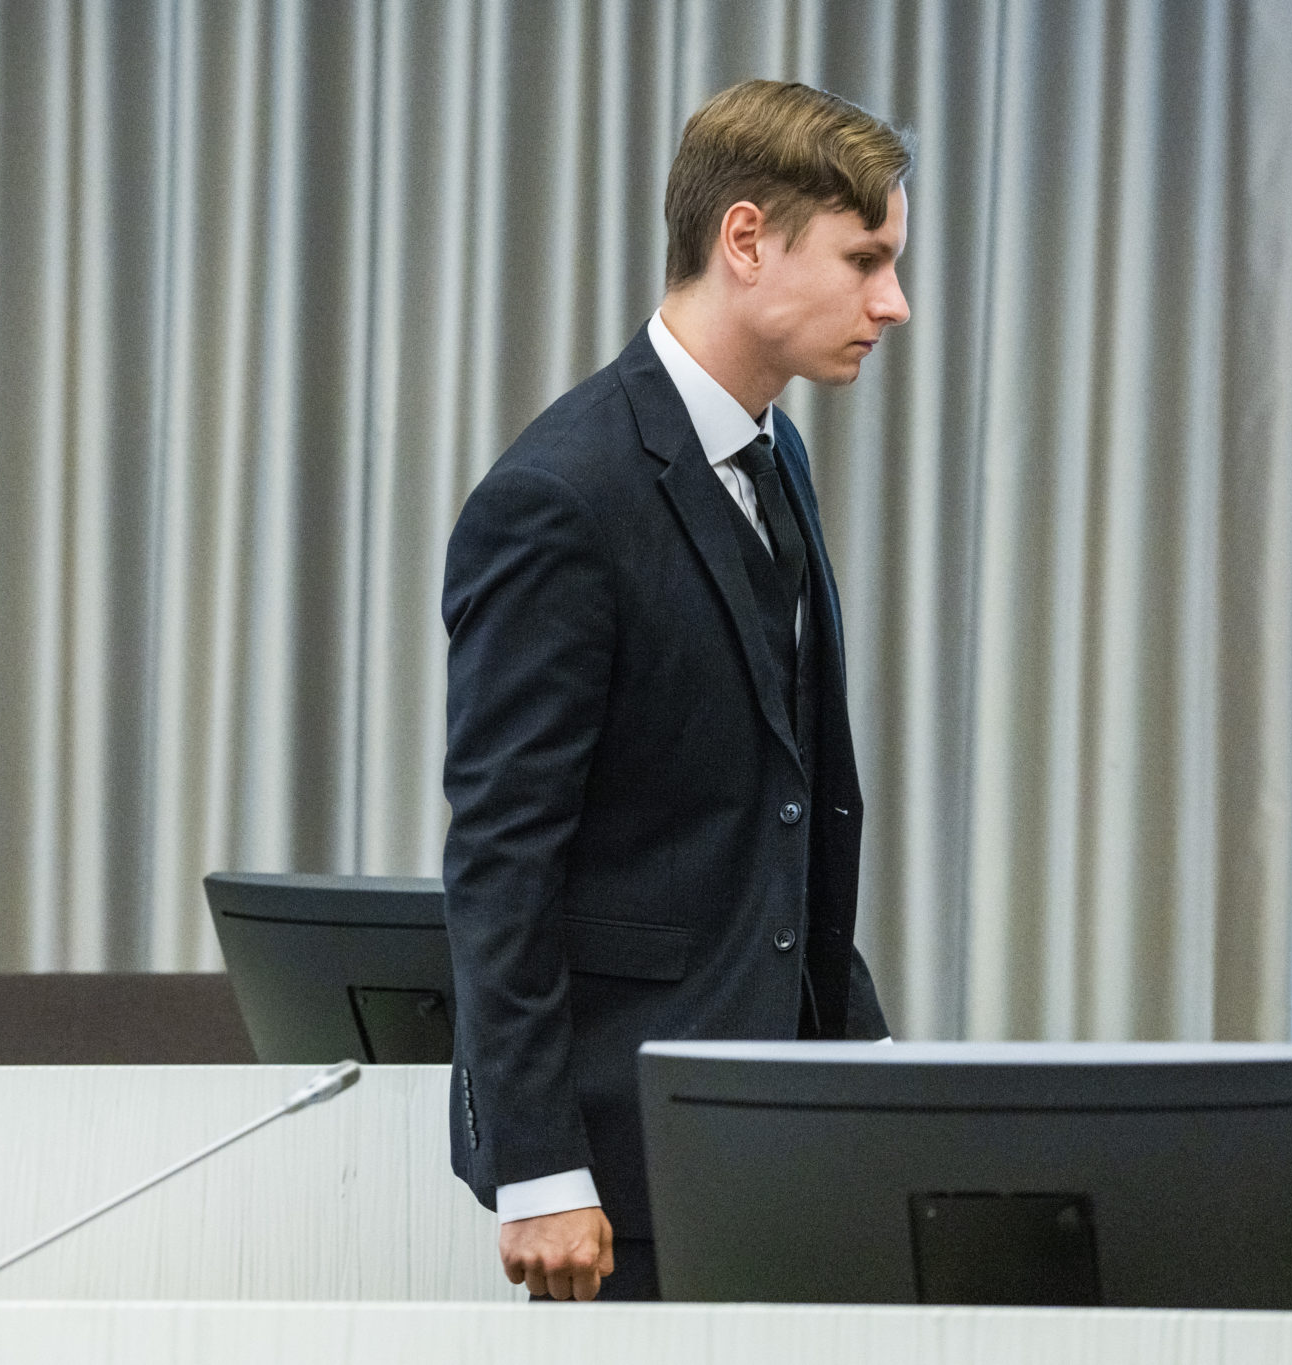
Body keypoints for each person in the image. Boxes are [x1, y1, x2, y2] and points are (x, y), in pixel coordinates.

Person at [440, 79, 912, 1303]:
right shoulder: (556, 497)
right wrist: (539, 1167)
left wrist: (864, 1059)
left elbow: (779, 805)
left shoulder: (776, 452)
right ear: (745, 239)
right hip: (617, 1165)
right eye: (864, 260)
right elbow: (501, 857)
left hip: (775, 1128)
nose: (892, 303)